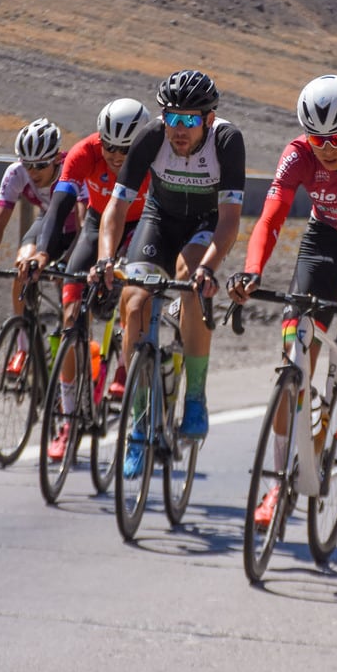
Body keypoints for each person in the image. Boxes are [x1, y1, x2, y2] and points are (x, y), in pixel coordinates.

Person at [227, 73, 337, 528]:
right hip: (323, 240)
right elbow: (269, 221)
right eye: (317, 137)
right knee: (294, 355)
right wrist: (251, 271)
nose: (327, 147)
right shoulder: (297, 155)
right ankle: (277, 484)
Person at [92, 69, 245, 478]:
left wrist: (211, 268)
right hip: (161, 218)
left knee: (192, 280)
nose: (179, 129)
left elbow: (230, 221)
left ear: (208, 120)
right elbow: (117, 207)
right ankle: (139, 424)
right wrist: (106, 259)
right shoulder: (151, 136)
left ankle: (194, 396)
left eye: (190, 120)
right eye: (172, 118)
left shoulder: (227, 142)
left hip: (206, 222)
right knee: (135, 299)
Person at [26, 99, 152, 461]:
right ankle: (68, 418)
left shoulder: (155, 157)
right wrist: (44, 252)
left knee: (133, 292)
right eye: (109, 146)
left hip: (141, 226)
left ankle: (126, 367)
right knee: (70, 316)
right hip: (98, 224)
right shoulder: (84, 152)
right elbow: (60, 204)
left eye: (124, 150)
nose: (114, 155)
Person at [0, 118, 81, 376]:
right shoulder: (15, 174)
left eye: (40, 164)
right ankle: (23, 345)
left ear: (56, 158)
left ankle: (74, 348)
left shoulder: (72, 170)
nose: (33, 172)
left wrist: (66, 261)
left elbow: (87, 223)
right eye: (27, 164)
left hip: (77, 229)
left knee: (69, 290)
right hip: (47, 224)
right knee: (22, 264)